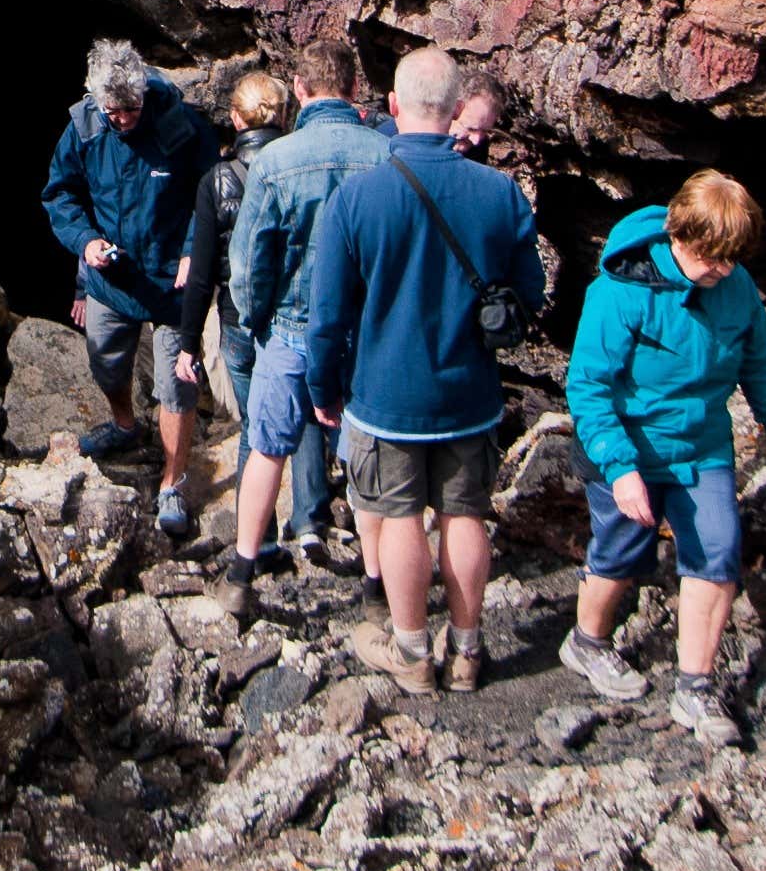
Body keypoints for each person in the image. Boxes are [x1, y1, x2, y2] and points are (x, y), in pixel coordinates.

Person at [559, 169, 766, 743]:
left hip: (702, 447)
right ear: (679, 237)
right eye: (712, 260)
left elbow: (760, 366)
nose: (721, 272)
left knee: (717, 554)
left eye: (731, 261)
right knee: (621, 554)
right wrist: (621, 470)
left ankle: (695, 688)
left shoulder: (736, 287)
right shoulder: (621, 289)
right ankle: (587, 643)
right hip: (628, 446)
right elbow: (588, 388)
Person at [301, 46, 543, 695]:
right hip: (471, 391)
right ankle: (466, 651)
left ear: (395, 107)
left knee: (401, 516)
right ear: (457, 108)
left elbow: (326, 316)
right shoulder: (500, 193)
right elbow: (531, 292)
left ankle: (411, 653)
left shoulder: (358, 198)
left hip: (385, 394)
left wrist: (322, 389)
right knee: (465, 515)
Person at [41, 39, 223, 536]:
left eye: (130, 109)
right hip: (112, 276)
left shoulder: (179, 126)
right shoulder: (83, 128)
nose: (121, 119)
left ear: (144, 95)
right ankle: (125, 424)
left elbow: (211, 194)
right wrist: (85, 242)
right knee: (106, 362)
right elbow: (60, 194)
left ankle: (172, 481)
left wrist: (193, 248)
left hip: (172, 280)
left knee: (176, 387)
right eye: (112, 111)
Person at [220, 43, 378, 580]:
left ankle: (242, 570)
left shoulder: (274, 160)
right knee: (368, 454)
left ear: (301, 91)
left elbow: (247, 265)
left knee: (266, 447)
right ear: (355, 90)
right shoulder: (385, 155)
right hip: (364, 334)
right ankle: (380, 584)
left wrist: (257, 321)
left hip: (289, 328)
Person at [181, 72, 291, 488]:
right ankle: (310, 518)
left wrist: (188, 344)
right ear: (282, 115)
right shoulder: (299, 165)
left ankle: (256, 537)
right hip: (295, 315)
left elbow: (201, 271)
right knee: (309, 421)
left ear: (235, 118)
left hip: (238, 315)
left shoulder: (218, 180)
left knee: (255, 428)